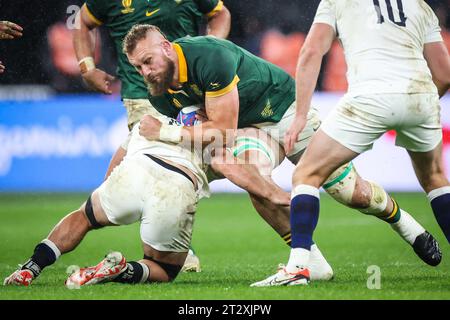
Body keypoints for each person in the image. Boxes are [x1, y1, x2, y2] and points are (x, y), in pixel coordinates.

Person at [122, 24, 442, 283]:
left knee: (351, 193)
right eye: (138, 67)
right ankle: (310, 261)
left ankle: (406, 225)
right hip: (252, 130)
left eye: (148, 61)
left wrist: (164, 132)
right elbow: (205, 134)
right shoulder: (162, 94)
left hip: (285, 109)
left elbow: (222, 130)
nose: (145, 72)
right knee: (251, 178)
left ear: (166, 46)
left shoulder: (207, 56)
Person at [253, 0, 450, 286]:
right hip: (420, 94)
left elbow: (311, 51)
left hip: (369, 97)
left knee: (306, 174)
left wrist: (299, 117)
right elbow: (444, 73)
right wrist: (420, 104)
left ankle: (297, 268)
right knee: (436, 180)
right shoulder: (420, 5)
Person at [73, 0, 231, 272]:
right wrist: (87, 68)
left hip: (189, 91)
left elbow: (220, 13)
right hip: (142, 97)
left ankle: (163, 241)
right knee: (166, 167)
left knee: (197, 162)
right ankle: (172, 248)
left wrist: (209, 47)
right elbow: (81, 21)